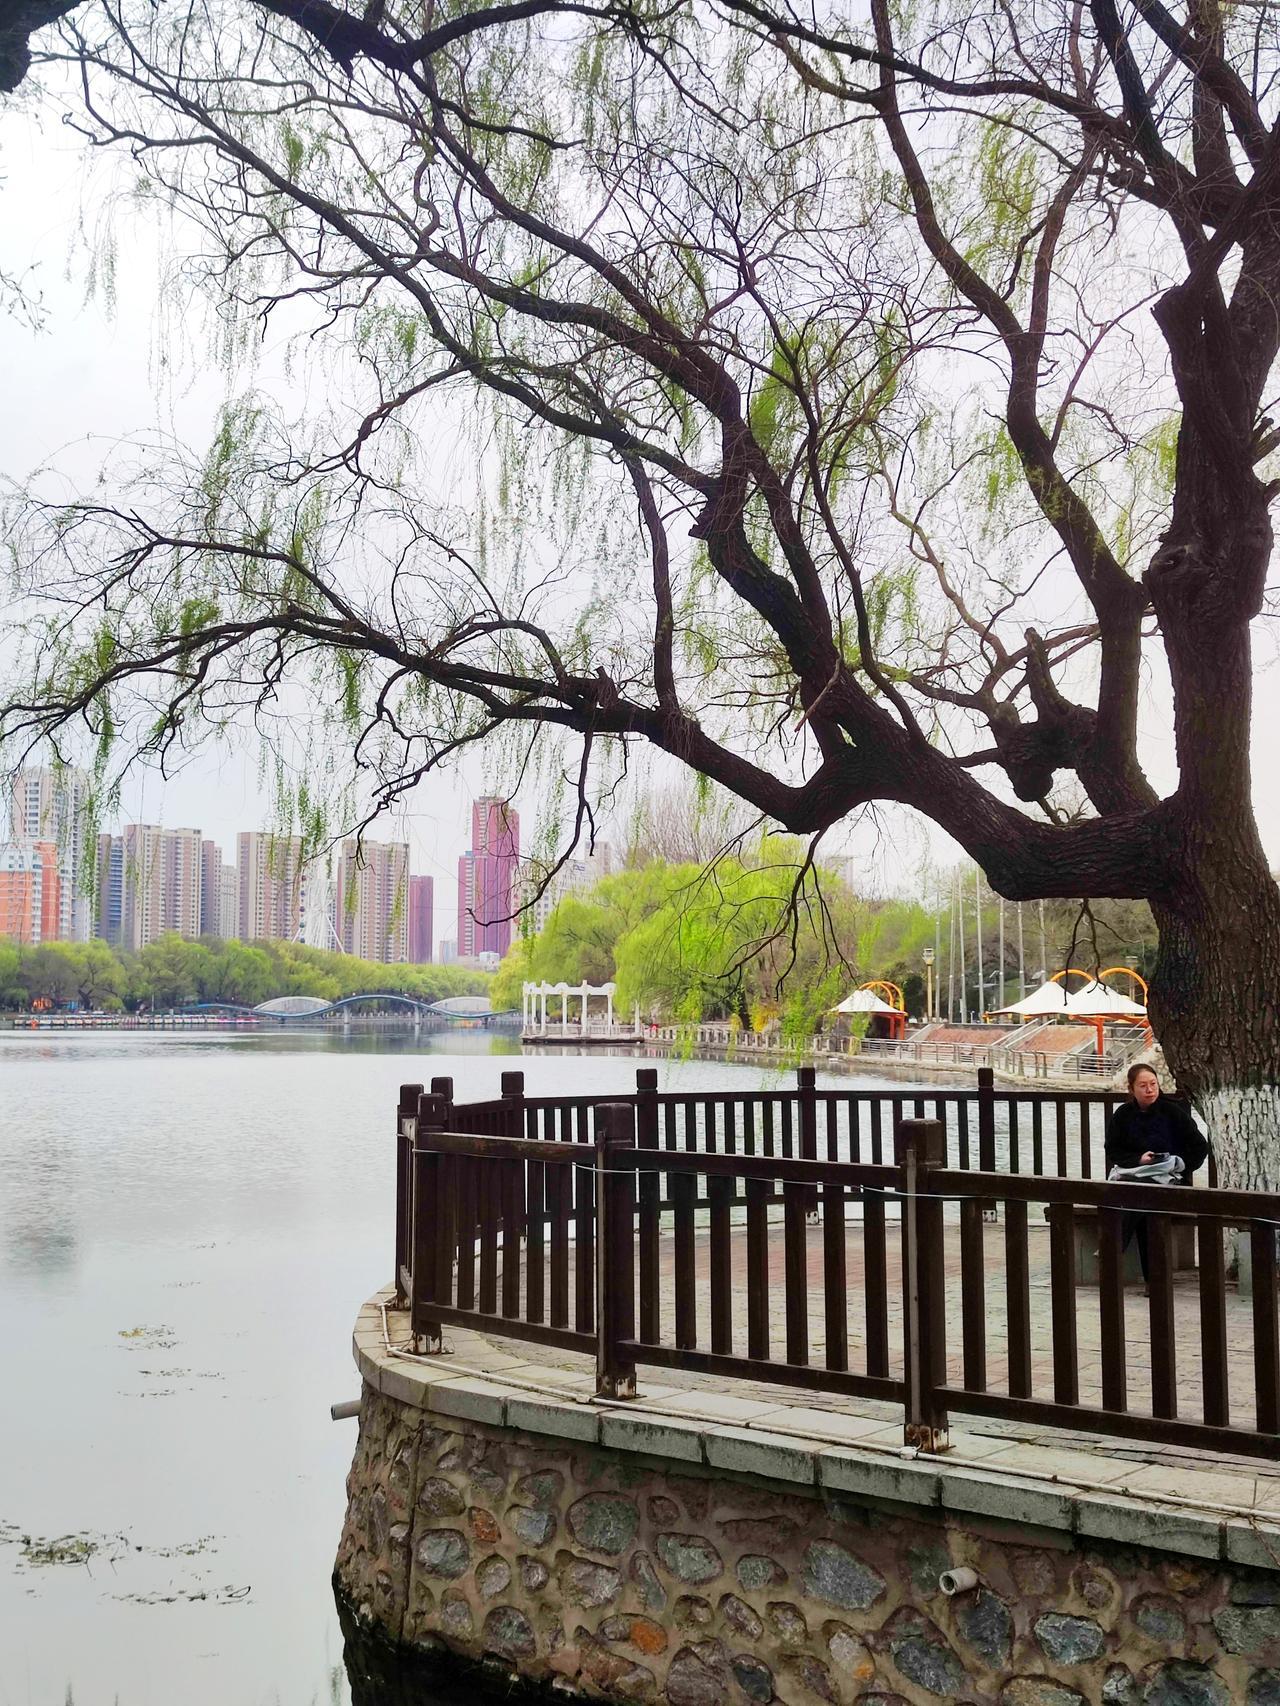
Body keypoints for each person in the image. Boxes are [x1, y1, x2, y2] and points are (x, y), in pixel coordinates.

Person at [1104, 1063, 1209, 1283]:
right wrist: (1138, 1159)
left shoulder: (1173, 1112)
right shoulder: (1123, 1114)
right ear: (1131, 1089)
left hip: (1169, 1179)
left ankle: (1114, 1246)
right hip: (1134, 1176)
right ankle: (1153, 1281)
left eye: (1153, 1084)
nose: (1149, 1089)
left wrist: (1178, 1163)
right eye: (1143, 1085)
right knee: (1143, 1203)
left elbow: (1199, 1147)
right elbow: (1113, 1150)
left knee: (1143, 1199)